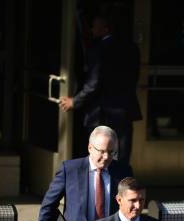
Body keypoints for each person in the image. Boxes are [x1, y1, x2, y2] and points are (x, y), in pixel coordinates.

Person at [59, 14, 141, 166]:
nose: (91, 29)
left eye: (94, 26)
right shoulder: (131, 47)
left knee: (100, 156)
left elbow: (93, 84)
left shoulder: (99, 49)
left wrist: (75, 101)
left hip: (102, 112)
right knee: (121, 156)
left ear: (105, 29)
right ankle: (121, 188)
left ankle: (101, 188)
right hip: (124, 110)